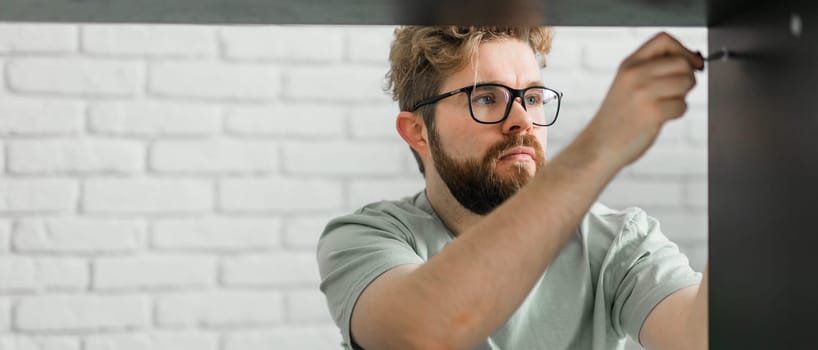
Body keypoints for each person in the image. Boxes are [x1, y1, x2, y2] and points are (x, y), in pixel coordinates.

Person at [317, 26, 708, 350]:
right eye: (486, 98)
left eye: (533, 97)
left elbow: (699, 338)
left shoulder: (617, 241)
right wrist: (597, 150)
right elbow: (421, 334)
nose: (522, 121)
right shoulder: (365, 238)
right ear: (418, 131)